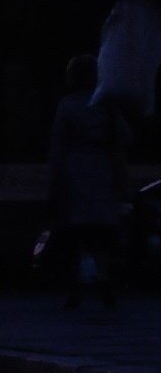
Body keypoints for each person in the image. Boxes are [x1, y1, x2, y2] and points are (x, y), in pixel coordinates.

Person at [49, 55, 130, 309]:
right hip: (102, 170)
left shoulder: (67, 105)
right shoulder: (106, 105)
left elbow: (58, 145)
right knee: (101, 232)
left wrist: (55, 176)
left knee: (76, 231)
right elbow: (125, 136)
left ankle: (76, 287)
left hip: (75, 171)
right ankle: (104, 281)